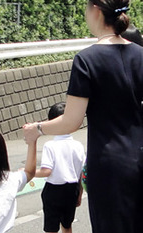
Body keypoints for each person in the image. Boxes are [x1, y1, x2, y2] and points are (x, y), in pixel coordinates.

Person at [23, 1, 143, 233]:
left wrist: (37, 129)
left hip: (108, 164)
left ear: (96, 11)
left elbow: (71, 121)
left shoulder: (87, 60)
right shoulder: (141, 55)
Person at [34, 102, 86, 233]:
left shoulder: (50, 146)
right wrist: (79, 193)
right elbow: (82, 173)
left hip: (53, 191)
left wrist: (30, 172)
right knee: (67, 225)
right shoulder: (78, 145)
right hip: (72, 189)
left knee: (51, 228)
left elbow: (46, 171)